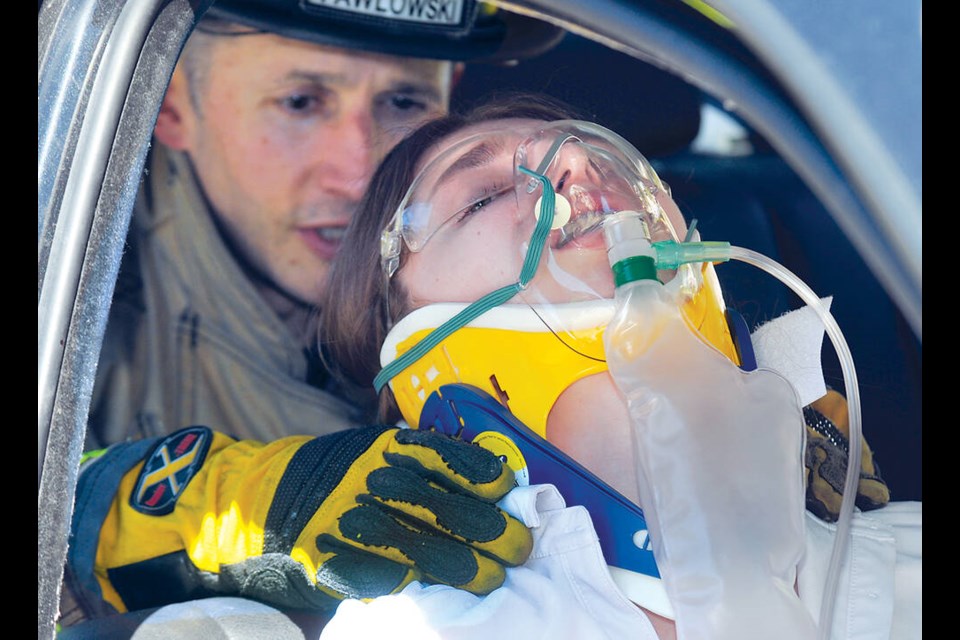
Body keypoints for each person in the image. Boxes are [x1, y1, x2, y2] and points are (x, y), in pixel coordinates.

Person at [313, 93, 920, 639]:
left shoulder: (906, 557)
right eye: (485, 196)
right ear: (408, 341)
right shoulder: (411, 629)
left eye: (606, 162)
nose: (576, 169)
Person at [84, 0, 565, 449]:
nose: (359, 178)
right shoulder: (67, 328)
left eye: (403, 102)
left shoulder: (545, 286)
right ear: (170, 107)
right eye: (299, 102)